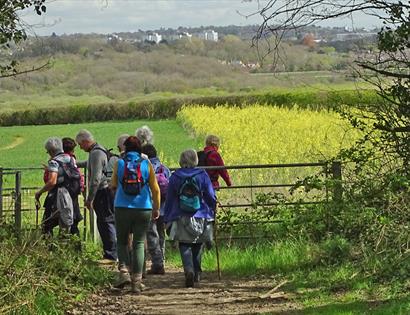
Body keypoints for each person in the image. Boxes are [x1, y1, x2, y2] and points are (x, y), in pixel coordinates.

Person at [110, 136, 160, 294]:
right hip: (143, 208)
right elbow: (156, 189)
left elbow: (112, 185)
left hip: (122, 207)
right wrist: (156, 208)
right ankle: (137, 282)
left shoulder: (120, 163)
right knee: (139, 243)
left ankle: (124, 273)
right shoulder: (146, 164)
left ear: (125, 148)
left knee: (122, 241)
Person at [163, 149, 216, 288]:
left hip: (181, 215)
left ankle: (189, 270)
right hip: (201, 214)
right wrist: (213, 207)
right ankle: (197, 272)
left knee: (184, 244)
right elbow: (210, 195)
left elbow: (169, 199)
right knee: (198, 243)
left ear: (182, 161)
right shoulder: (202, 175)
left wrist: (167, 216)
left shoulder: (175, 177)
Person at [75, 129, 117, 262]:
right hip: (106, 191)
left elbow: (95, 179)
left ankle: (111, 254)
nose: (80, 148)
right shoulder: (99, 150)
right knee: (105, 221)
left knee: (106, 222)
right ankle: (110, 252)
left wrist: (89, 199)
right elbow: (89, 164)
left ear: (86, 141)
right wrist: (73, 163)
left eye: (81, 144)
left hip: (102, 192)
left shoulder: (96, 153)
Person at [36, 137, 78, 236]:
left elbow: (52, 182)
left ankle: (49, 249)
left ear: (51, 151)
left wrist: (39, 192)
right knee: (65, 226)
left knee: (46, 226)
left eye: (48, 152)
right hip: (70, 197)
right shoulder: (71, 159)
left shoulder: (54, 162)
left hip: (56, 198)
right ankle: (65, 247)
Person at [141, 144, 171, 275]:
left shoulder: (145, 167)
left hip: (150, 206)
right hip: (163, 207)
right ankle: (161, 260)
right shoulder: (164, 168)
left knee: (152, 235)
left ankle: (157, 263)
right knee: (161, 234)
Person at [62, 137, 84, 236]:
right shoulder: (72, 159)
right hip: (73, 192)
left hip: (63, 193)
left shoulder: (61, 159)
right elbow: (79, 175)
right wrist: (81, 187)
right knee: (73, 220)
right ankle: (76, 245)